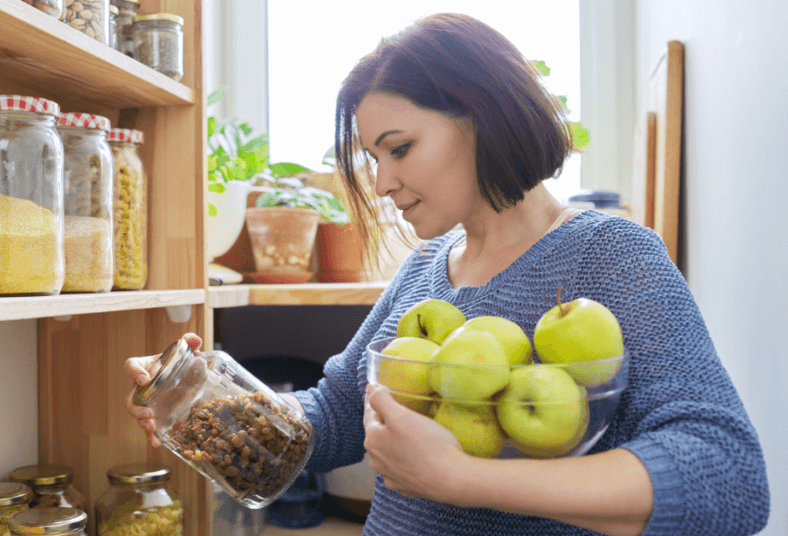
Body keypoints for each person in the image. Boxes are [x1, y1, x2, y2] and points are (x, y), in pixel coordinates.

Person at [124, 13, 770, 536]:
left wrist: (465, 479)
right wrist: (208, 406)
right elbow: (340, 413)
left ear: (483, 116)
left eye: (400, 148)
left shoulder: (612, 255)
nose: (381, 183)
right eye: (373, 158)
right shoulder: (424, 271)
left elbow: (730, 476)